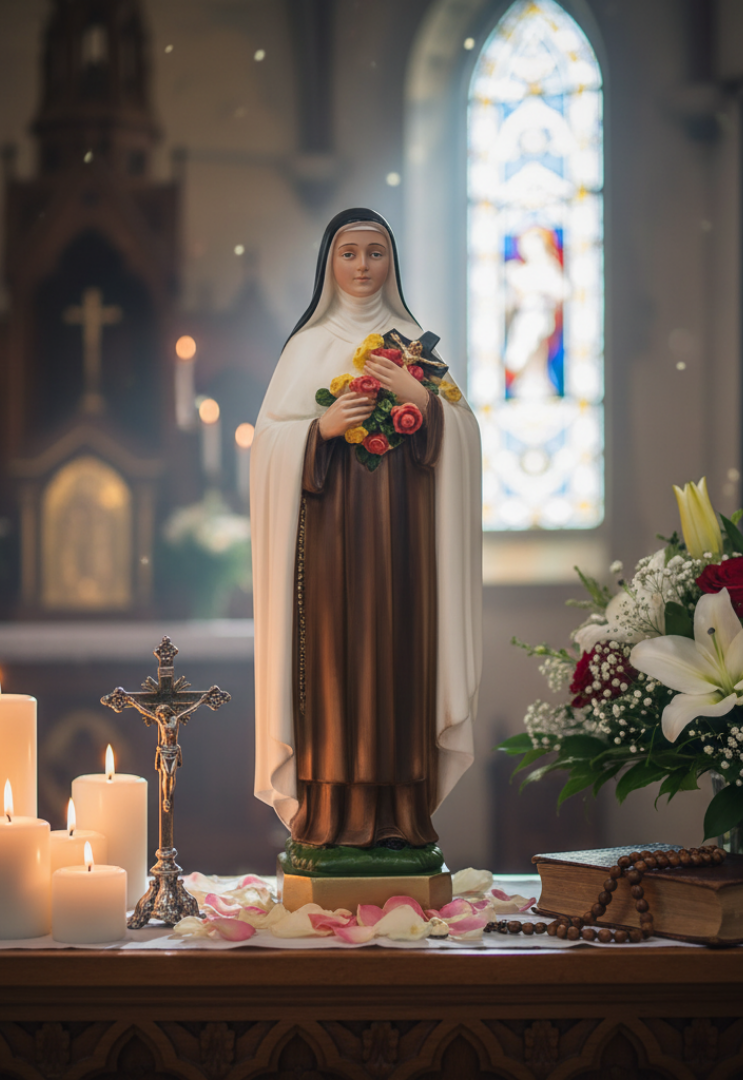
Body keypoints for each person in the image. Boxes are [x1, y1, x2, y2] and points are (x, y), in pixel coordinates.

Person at [251, 208, 482, 849]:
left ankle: (401, 817)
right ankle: (330, 817)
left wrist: (422, 400)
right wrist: (315, 432)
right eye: (349, 253)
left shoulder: (415, 345)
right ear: (330, 263)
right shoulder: (306, 346)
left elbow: (465, 435)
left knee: (400, 657)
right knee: (331, 666)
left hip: (405, 541)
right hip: (326, 545)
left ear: (392, 263)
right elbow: (266, 444)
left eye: (374, 253)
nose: (361, 266)